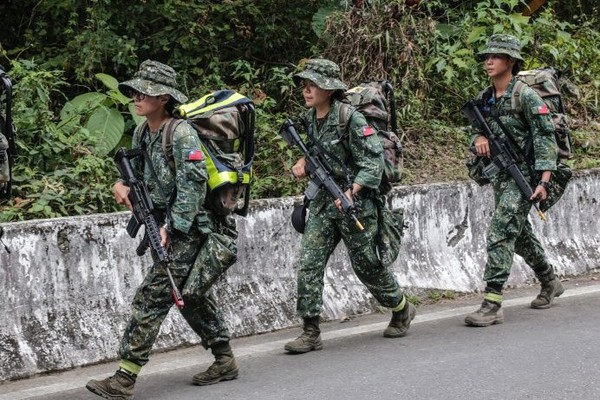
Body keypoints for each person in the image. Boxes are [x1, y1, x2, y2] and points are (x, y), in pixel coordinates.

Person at [86, 60, 239, 399]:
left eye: (145, 92)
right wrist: (122, 185)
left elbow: (193, 187)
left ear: (164, 98)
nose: (137, 97)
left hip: (192, 229)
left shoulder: (182, 133)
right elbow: (137, 176)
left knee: (152, 297)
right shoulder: (143, 132)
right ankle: (224, 359)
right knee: (191, 297)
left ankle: (124, 379)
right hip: (164, 223)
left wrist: (173, 227)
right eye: (135, 91)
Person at [284, 58, 416, 353]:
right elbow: (316, 153)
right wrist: (304, 163)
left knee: (367, 266)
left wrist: (351, 191)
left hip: (356, 205)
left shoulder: (350, 119)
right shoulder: (309, 120)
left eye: (313, 85)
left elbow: (373, 163)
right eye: (304, 85)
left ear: (329, 89)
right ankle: (310, 331)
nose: (306, 90)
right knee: (309, 262)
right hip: (322, 204)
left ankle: (401, 307)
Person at [464, 34, 564, 327]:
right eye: (487, 56)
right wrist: (478, 137)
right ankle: (549, 280)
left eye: (495, 56)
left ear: (510, 61)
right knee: (518, 234)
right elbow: (473, 131)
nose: (489, 61)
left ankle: (492, 302)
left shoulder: (525, 95)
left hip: (526, 177)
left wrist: (543, 182)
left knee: (499, 232)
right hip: (500, 176)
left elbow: (546, 139)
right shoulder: (485, 97)